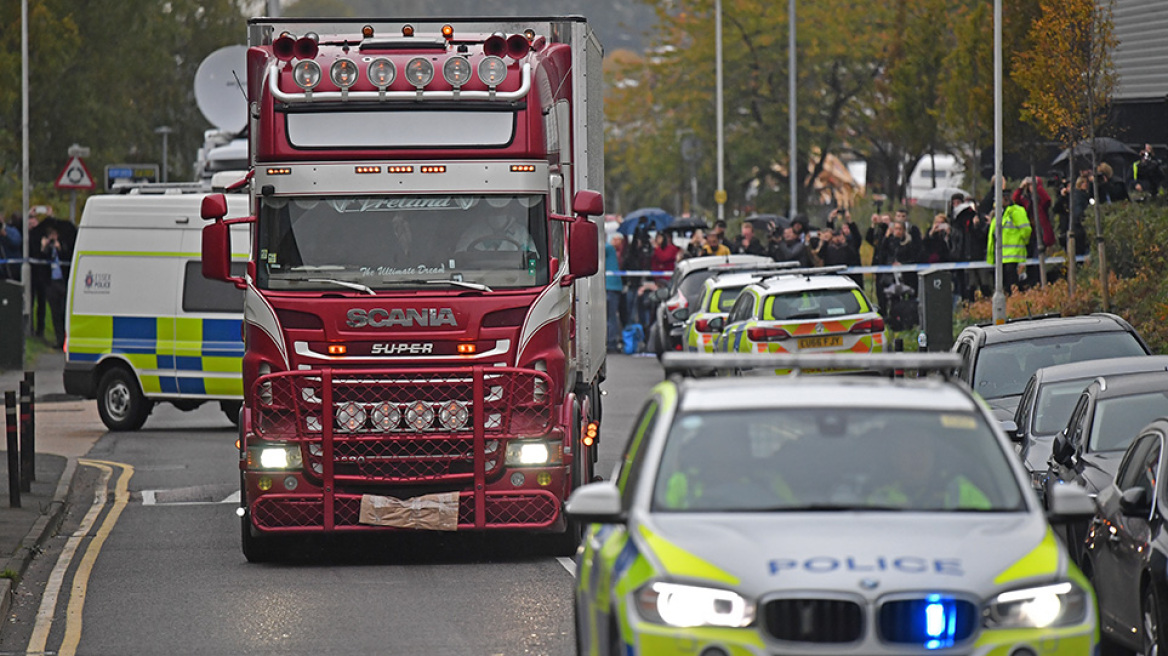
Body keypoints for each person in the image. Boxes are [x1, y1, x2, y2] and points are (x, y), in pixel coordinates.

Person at [986, 195, 1031, 293]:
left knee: (1013, 286)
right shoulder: (999, 215)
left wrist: (1023, 243)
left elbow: (1026, 230)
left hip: (1014, 256)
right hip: (1001, 257)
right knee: (1004, 288)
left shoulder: (1015, 212)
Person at [39, 224, 72, 349]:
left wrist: (59, 249)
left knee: (64, 311)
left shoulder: (63, 245)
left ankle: (66, 338)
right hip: (51, 283)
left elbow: (67, 256)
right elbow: (41, 261)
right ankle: (59, 340)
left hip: (62, 282)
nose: (52, 237)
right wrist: (44, 247)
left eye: (54, 235)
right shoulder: (47, 248)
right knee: (55, 313)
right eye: (50, 235)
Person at [605, 237, 623, 352]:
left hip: (610, 287)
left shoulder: (608, 248)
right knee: (611, 317)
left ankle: (611, 343)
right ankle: (612, 342)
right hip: (613, 287)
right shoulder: (610, 249)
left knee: (610, 318)